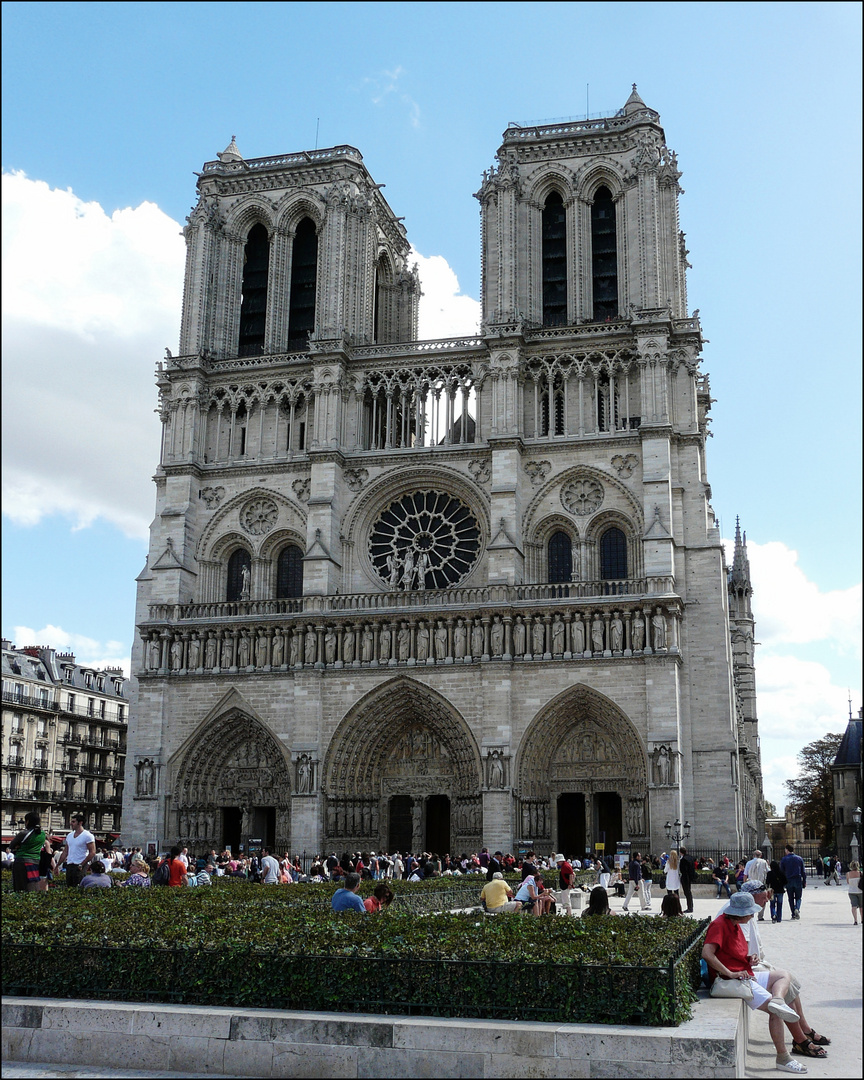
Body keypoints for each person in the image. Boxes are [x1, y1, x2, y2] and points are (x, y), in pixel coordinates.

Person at [702, 891, 829, 1072]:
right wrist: (730, 973)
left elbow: (730, 953)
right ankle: (783, 1058)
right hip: (732, 981)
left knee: (785, 975)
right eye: (750, 912)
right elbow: (707, 954)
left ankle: (778, 999)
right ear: (740, 913)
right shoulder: (719, 925)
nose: (753, 915)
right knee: (775, 1012)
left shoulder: (734, 924)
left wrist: (748, 959)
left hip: (743, 974)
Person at [54, 813, 96, 888]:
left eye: (73, 822)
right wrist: (57, 865)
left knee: (78, 886)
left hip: (80, 864)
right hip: (69, 864)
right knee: (69, 886)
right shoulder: (69, 835)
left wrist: (82, 864)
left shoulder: (88, 835)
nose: (71, 824)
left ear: (80, 823)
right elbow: (65, 852)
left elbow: (92, 852)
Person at [10, 812, 47, 893]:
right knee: (32, 886)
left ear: (28, 821)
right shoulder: (43, 834)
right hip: (35, 862)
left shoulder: (24, 833)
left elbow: (11, 846)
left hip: (21, 862)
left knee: (20, 888)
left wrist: (18, 846)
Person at [780, 845, 806, 920]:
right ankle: (797, 908)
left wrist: (782, 882)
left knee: (790, 898)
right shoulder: (799, 858)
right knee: (798, 897)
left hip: (788, 880)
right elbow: (803, 871)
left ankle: (793, 914)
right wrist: (804, 881)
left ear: (787, 850)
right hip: (798, 879)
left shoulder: (784, 859)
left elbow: (782, 872)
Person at [846, 860, 861, 926]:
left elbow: (848, 882)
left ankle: (855, 920)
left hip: (851, 891)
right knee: (861, 906)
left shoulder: (848, 874)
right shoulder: (861, 873)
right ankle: (862, 919)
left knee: (853, 906)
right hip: (860, 891)